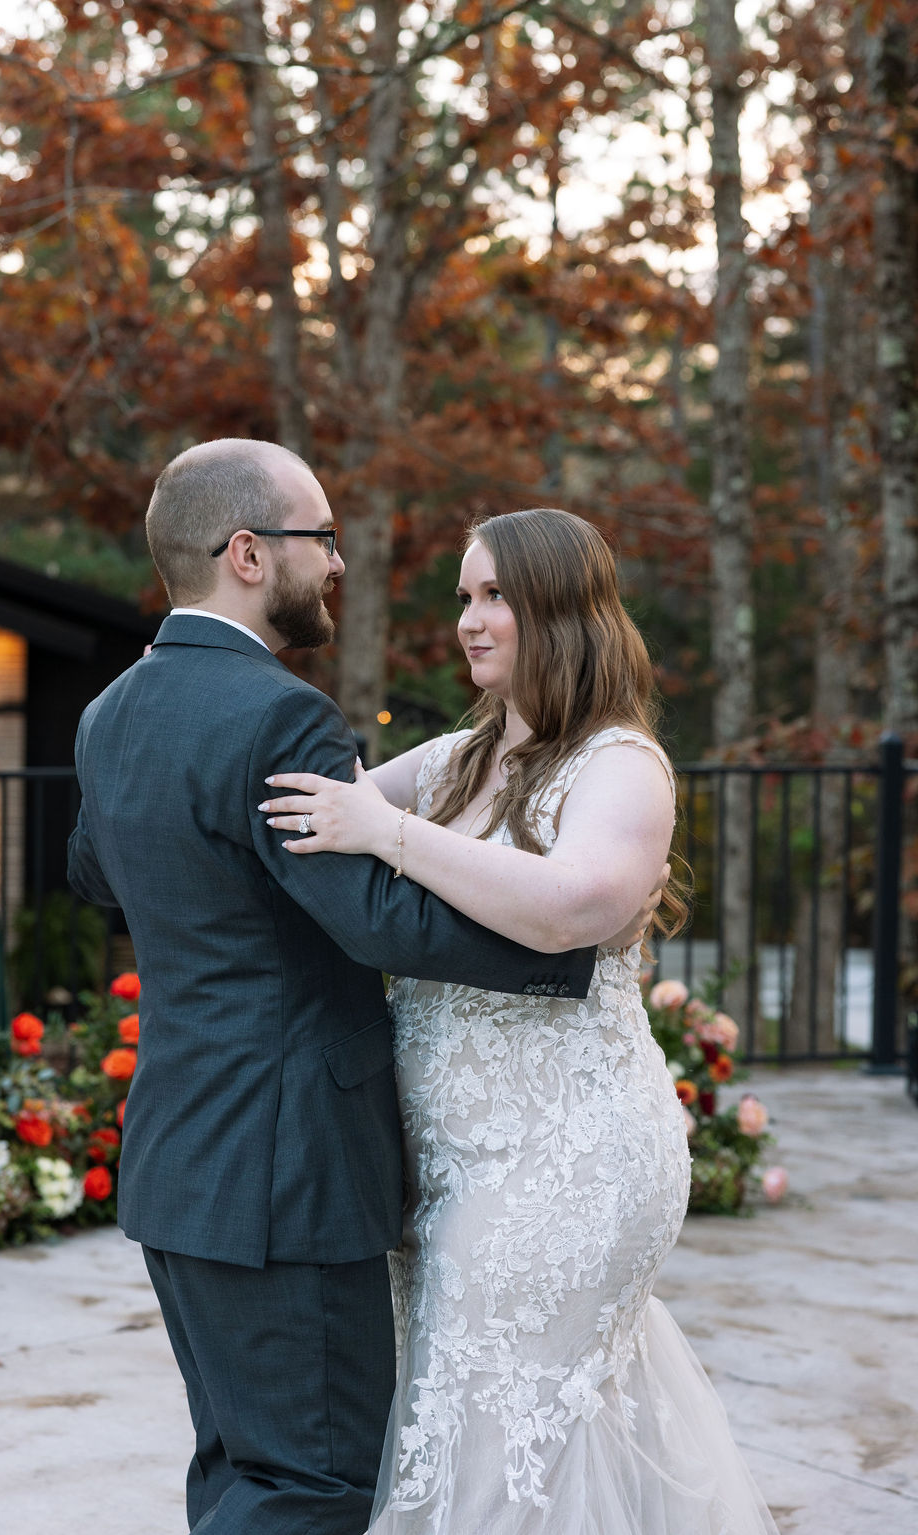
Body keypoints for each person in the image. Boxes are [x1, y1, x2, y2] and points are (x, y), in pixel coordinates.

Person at [66, 442, 661, 1535]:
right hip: (287, 1170)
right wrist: (578, 947)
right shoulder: (274, 715)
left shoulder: (112, 712)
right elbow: (371, 916)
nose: (336, 563)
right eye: (320, 538)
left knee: (239, 1464)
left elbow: (96, 872)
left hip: (180, 1158)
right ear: (248, 552)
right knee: (314, 1486)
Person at [259, 507, 780, 1534]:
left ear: (564, 611)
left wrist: (391, 832)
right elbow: (315, 810)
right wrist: (187, 687)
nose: (471, 619)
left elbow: (572, 905)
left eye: (496, 595)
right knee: (494, 1417)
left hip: (568, 1160)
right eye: (464, 596)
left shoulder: (620, 763)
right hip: (449, 1163)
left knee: (495, 1429)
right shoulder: (455, 756)